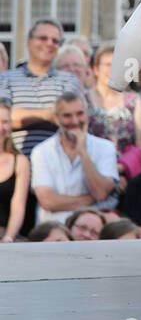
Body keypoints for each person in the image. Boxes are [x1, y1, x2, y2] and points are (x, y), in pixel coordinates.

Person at [29, 89, 119, 224]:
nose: (75, 121)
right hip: (53, 229)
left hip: (92, 231)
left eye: (80, 114)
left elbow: (100, 193)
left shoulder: (105, 148)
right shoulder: (41, 151)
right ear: (56, 119)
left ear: (87, 114)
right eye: (67, 116)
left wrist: (82, 151)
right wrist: (89, 200)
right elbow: (47, 201)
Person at [0, 19, 82, 158]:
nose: (49, 43)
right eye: (43, 38)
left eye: (55, 41)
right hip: (14, 165)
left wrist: (23, 115)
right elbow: (5, 119)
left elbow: (71, 121)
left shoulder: (69, 80)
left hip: (57, 164)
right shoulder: (5, 78)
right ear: (28, 42)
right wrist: (48, 114)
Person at [85, 43, 141, 158]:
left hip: (126, 169)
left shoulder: (133, 101)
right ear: (96, 69)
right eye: (108, 64)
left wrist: (123, 167)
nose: (112, 69)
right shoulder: (83, 100)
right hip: (92, 166)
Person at [0, 100, 34, 241]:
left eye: (5, 122)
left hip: (5, 236)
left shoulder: (20, 162)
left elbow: (18, 206)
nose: (1, 127)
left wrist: (8, 238)